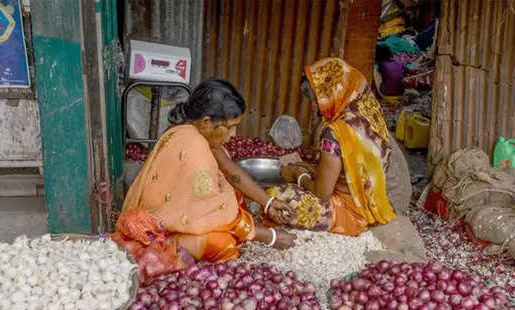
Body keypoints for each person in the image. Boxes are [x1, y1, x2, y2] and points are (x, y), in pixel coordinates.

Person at [122, 79, 296, 263]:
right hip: (162, 230)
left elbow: (232, 173)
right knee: (221, 244)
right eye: (229, 127)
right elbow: (209, 208)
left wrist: (268, 203)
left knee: (233, 196)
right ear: (206, 122)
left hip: (178, 212)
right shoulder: (193, 147)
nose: (234, 134)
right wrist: (268, 236)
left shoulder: (194, 129)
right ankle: (172, 247)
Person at [275, 57, 397, 235]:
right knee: (305, 167)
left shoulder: (335, 133)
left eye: (317, 100)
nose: (315, 106)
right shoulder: (369, 110)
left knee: (276, 196)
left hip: (351, 211)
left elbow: (322, 193)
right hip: (373, 200)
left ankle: (342, 222)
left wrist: (298, 175)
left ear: (334, 93)